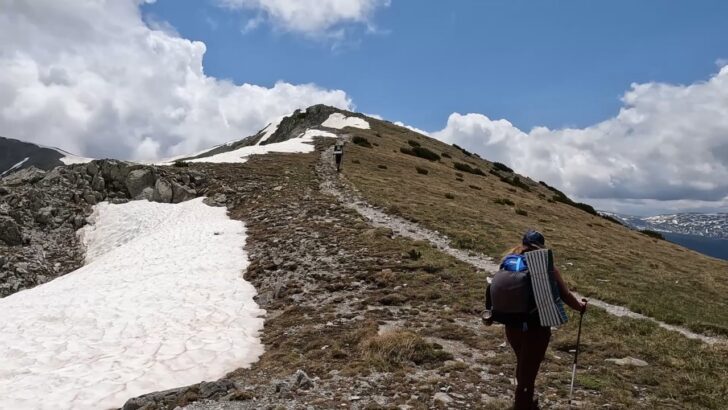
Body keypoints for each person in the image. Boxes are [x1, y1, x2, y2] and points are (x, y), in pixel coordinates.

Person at [497, 230, 586, 410]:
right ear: (540, 247)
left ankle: (523, 399)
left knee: (522, 360)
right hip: (535, 325)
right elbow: (565, 295)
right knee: (530, 366)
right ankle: (523, 403)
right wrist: (581, 307)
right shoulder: (545, 267)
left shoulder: (509, 260)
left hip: (511, 322)